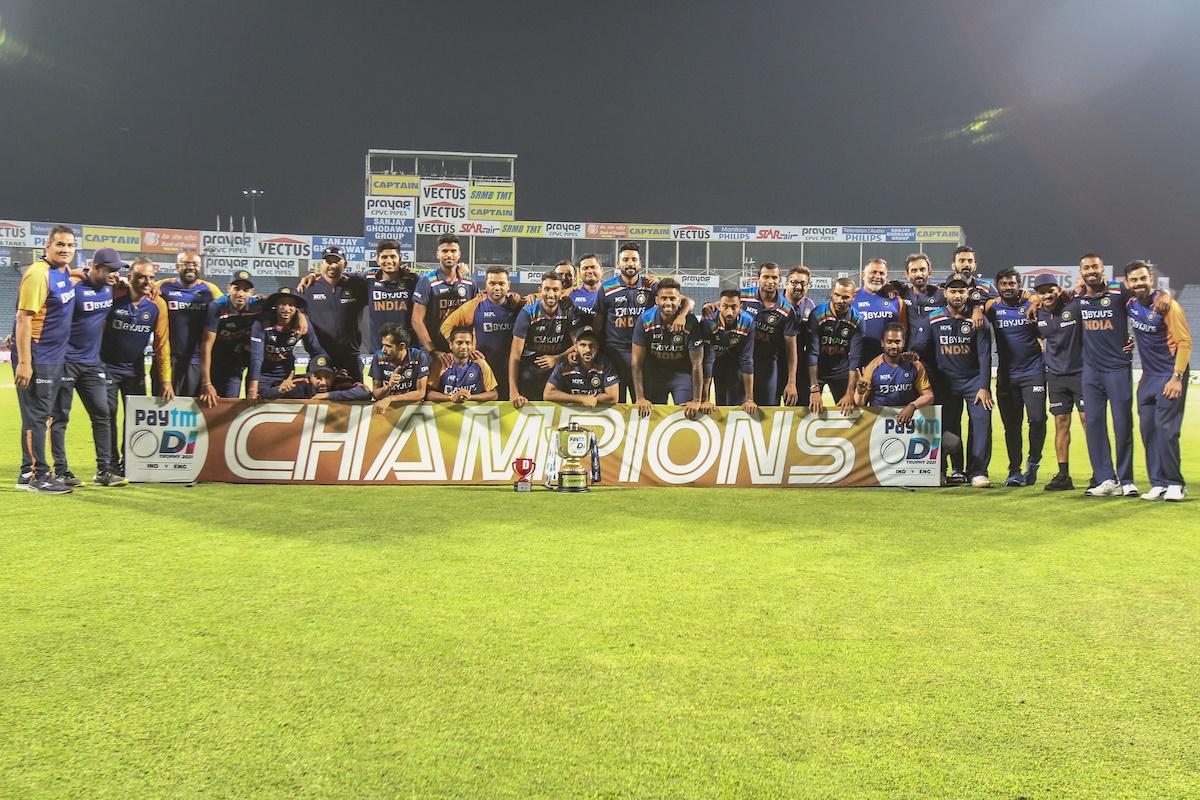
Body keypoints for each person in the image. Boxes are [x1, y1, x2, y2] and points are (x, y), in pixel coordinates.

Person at [1076, 253, 1165, 497]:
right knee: (1093, 424)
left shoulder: (1119, 291)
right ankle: (1106, 479)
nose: (1091, 271)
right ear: (1081, 272)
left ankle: (1126, 480)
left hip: (1117, 368)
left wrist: (1162, 295)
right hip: (1090, 371)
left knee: (1122, 424)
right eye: (1086, 267)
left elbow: (1144, 300)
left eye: (1095, 266)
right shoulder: (1075, 296)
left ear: (1102, 269)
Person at [49, 248, 122, 487]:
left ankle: (104, 471)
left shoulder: (112, 288)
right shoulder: (74, 289)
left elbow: (137, 287)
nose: (115, 274)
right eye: (110, 270)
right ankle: (61, 471)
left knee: (102, 414)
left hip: (93, 364)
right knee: (61, 417)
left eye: (117, 270)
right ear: (96, 268)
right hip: (67, 362)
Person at [13, 225, 79, 493]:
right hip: (38, 355)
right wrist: (25, 362)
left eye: (70, 245)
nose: (65, 249)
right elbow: (23, 319)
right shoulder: (38, 275)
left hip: (53, 356)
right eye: (59, 245)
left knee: (40, 416)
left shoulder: (62, 272)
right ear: (47, 247)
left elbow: (71, 279)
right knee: (37, 417)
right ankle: (37, 477)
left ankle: (27, 472)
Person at [1124, 260, 1191, 502]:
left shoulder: (1168, 305)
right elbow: (1099, 287)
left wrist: (1177, 377)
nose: (1139, 283)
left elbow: (1184, 343)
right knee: (1148, 431)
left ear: (1150, 279)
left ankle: (1175, 483)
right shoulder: (1130, 304)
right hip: (1148, 377)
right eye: (1134, 280)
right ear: (1128, 283)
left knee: (1166, 431)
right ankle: (1158, 482)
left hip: (1169, 374)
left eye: (1143, 278)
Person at [100, 257, 173, 477]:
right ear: (129, 277)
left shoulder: (157, 305)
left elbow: (162, 344)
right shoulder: (113, 296)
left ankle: (130, 463)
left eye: (151, 278)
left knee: (134, 420)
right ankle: (110, 465)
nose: (147, 281)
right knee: (108, 417)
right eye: (141, 276)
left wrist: (166, 379)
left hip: (135, 371)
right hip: (108, 367)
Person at [597, 242, 692, 402]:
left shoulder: (652, 286)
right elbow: (598, 323)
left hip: (645, 356)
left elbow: (687, 302)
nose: (630, 263)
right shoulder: (606, 288)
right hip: (615, 356)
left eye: (634, 259)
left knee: (644, 405)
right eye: (625, 259)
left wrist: (682, 315)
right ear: (618, 263)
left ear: (640, 263)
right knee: (614, 406)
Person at [927, 275, 994, 488]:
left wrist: (984, 387)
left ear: (968, 293)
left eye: (962, 291)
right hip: (946, 382)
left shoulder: (978, 319)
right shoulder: (934, 318)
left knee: (982, 422)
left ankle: (978, 471)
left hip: (973, 380)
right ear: (945, 293)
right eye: (953, 291)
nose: (957, 295)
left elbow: (985, 355)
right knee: (948, 426)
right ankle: (949, 469)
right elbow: (921, 349)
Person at [984, 267, 1047, 486]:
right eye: (1004, 284)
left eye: (1012, 283)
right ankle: (1014, 470)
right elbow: (975, 304)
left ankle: (1034, 461)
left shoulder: (1032, 304)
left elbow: (1048, 302)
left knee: (1037, 419)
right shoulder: (993, 307)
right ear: (998, 287)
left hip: (1033, 371)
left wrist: (1036, 298)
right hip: (1006, 375)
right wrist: (975, 311)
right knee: (1011, 425)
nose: (1008, 287)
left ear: (1019, 285)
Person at [1031, 273, 1088, 491]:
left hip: (1080, 373)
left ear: (1058, 289)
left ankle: (1100, 473)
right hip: (1054, 376)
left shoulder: (1074, 306)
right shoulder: (1037, 314)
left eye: (1050, 290)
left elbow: (1087, 288)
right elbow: (1040, 337)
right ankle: (1063, 475)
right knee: (1060, 424)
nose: (1046, 295)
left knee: (1088, 423)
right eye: (1041, 292)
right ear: (1037, 295)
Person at [438, 266, 522, 400]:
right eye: (492, 283)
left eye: (501, 284)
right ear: (485, 285)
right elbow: (446, 326)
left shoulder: (518, 305)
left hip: (510, 368)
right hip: (483, 367)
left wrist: (531, 297)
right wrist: (466, 348)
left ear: (509, 285)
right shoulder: (475, 305)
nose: (497, 288)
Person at [632, 278, 705, 418]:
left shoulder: (690, 322)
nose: (668, 303)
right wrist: (640, 397)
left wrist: (697, 400)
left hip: (681, 375)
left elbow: (697, 363)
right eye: (664, 298)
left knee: (688, 414)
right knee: (651, 417)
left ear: (679, 301)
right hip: (655, 375)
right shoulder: (645, 319)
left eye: (673, 298)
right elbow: (636, 362)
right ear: (656, 300)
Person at [155, 250, 223, 397]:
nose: (191, 267)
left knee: (191, 411)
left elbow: (230, 306)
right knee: (163, 410)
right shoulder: (162, 286)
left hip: (196, 361)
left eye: (195, 264)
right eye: (186, 264)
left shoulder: (211, 290)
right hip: (168, 360)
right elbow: (141, 290)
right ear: (177, 266)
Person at [509, 272, 582, 408]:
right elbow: (515, 356)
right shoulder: (527, 313)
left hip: (556, 368)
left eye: (555, 290)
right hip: (530, 371)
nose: (551, 294)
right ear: (540, 290)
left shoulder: (567, 311)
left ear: (562, 292)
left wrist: (557, 358)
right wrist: (513, 392)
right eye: (547, 289)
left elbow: (579, 345)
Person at [297, 245, 370, 380]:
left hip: (350, 358)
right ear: (322, 264)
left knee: (358, 397)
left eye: (337, 261)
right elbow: (295, 312)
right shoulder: (309, 287)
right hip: (320, 358)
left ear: (345, 264)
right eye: (328, 261)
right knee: (315, 399)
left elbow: (377, 278)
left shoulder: (357, 285)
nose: (332, 265)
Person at [740, 262, 801, 406]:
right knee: (737, 407)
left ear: (780, 280)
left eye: (774, 278)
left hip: (767, 365)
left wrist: (792, 382)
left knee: (767, 409)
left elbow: (791, 350)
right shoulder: (743, 296)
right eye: (766, 277)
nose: (770, 281)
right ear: (758, 279)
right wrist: (709, 306)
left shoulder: (786, 310)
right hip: (741, 362)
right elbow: (723, 305)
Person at [199, 270, 263, 406]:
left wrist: (299, 315)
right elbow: (206, 346)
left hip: (240, 361)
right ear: (229, 289)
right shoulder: (217, 307)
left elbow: (283, 305)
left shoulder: (257, 306)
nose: (240, 293)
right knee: (214, 403)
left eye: (245, 290)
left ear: (251, 292)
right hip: (218, 361)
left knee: (235, 403)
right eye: (236, 288)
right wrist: (206, 383)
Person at [411, 233, 477, 367]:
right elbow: (416, 320)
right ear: (438, 254)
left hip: (462, 350)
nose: (449, 255)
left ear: (459, 254)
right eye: (445, 251)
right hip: (435, 351)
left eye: (453, 251)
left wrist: (473, 347)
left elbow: (476, 318)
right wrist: (433, 351)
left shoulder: (470, 283)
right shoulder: (427, 282)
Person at [247, 288, 325, 399]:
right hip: (261, 374)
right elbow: (256, 357)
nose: (286, 309)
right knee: (257, 405)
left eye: (291, 305)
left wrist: (314, 374)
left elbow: (315, 350)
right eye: (282, 304)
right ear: (276, 305)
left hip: (285, 374)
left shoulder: (302, 323)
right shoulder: (261, 321)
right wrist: (253, 388)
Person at [854, 322, 934, 419]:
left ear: (903, 343)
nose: (894, 346)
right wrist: (860, 393)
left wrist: (912, 406)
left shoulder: (915, 365)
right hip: (879, 423)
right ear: (882, 343)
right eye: (889, 342)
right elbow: (860, 403)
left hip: (909, 420)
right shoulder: (872, 367)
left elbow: (929, 396)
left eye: (897, 342)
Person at [807, 278, 863, 415]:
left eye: (845, 297)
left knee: (848, 412)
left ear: (853, 297)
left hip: (841, 372)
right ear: (832, 292)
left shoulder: (857, 320)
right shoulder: (817, 314)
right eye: (837, 295)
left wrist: (850, 393)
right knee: (808, 411)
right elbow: (812, 353)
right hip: (818, 370)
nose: (840, 300)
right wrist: (814, 389)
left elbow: (854, 358)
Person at [701, 289, 757, 412]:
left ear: (741, 307)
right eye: (725, 307)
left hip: (734, 361)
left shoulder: (748, 322)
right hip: (716, 360)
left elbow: (747, 359)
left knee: (735, 401)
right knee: (720, 398)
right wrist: (705, 400)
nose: (729, 312)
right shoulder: (708, 322)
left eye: (734, 307)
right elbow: (708, 360)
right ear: (719, 306)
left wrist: (749, 399)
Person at [852, 258, 908, 371]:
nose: (877, 276)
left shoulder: (896, 301)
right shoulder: (852, 299)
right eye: (873, 272)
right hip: (858, 362)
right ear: (863, 275)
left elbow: (903, 331)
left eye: (881, 273)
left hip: (889, 364)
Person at [544, 328, 620, 406]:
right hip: (571, 414)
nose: (587, 350)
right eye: (583, 345)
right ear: (575, 347)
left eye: (592, 345)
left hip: (598, 415)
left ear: (597, 347)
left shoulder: (605, 363)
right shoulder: (565, 364)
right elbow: (548, 394)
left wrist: (592, 399)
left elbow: (613, 397)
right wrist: (581, 399)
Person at [427, 327, 499, 402]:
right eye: (459, 343)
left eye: (468, 343)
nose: (464, 347)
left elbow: (494, 394)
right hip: (447, 411)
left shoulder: (480, 362)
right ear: (451, 345)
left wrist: (470, 397)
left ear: (472, 345)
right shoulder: (442, 363)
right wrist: (451, 398)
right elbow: (428, 393)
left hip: (473, 411)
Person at [367, 323, 429, 407]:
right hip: (386, 409)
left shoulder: (418, 356)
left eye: (388, 346)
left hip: (411, 408)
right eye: (383, 345)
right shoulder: (379, 357)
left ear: (402, 346)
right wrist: (388, 386)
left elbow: (420, 393)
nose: (383, 350)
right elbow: (376, 394)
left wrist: (391, 398)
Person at [262, 355, 373, 401]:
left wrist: (328, 395)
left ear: (334, 376)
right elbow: (264, 395)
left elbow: (366, 392)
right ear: (310, 376)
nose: (323, 382)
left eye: (327, 377)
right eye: (318, 378)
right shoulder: (300, 384)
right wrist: (278, 391)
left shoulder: (339, 383)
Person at [780, 265, 816, 397]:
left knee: (801, 409)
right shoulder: (776, 304)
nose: (799, 287)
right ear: (786, 283)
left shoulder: (810, 306)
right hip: (775, 364)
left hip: (801, 366)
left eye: (803, 283)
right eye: (794, 282)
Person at [945, 245, 998, 312]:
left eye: (970, 261)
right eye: (962, 261)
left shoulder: (987, 287)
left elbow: (1000, 306)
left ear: (975, 266)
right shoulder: (944, 288)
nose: (966, 264)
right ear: (953, 265)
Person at [566, 254, 604, 329]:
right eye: (585, 268)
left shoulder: (610, 293)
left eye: (593, 267)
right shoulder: (570, 294)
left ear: (601, 271)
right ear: (579, 273)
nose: (589, 271)